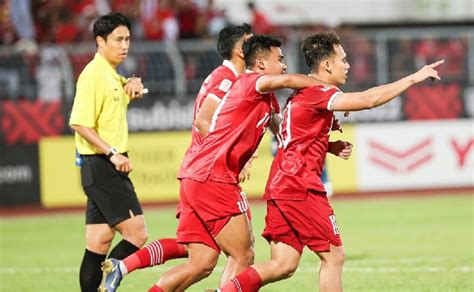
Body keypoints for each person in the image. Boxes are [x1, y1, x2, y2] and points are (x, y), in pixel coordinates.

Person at [216, 31, 443, 292]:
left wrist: (329, 145)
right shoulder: (318, 92)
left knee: (283, 263)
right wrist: (414, 77)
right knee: (334, 257)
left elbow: (295, 137)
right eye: (342, 60)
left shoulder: (302, 94)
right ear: (326, 65)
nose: (347, 65)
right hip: (300, 186)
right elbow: (369, 99)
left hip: (280, 185)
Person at [98, 23, 254, 292]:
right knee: (243, 253)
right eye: (253, 43)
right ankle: (123, 266)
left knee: (202, 260)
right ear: (240, 50)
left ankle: (122, 266)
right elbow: (203, 122)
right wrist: (227, 157)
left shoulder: (224, 76)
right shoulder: (227, 79)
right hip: (211, 174)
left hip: (196, 172)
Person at [68, 12, 148, 292]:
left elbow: (120, 90)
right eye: (118, 39)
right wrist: (113, 152)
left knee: (99, 241)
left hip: (100, 166)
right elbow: (79, 122)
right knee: (137, 234)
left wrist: (133, 80)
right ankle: (110, 284)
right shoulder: (93, 75)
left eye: (127, 39)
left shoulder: (111, 73)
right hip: (102, 165)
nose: (125, 45)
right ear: (100, 41)